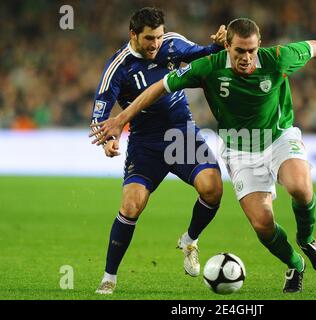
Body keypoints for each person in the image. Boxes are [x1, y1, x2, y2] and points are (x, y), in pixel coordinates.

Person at [90, 18, 316, 293]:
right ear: (227, 47)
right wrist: (118, 124)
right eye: (239, 51)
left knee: (296, 187)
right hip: (229, 147)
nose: (246, 57)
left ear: (259, 45)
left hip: (272, 137)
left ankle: (306, 239)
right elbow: (158, 88)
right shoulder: (206, 68)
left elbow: (313, 46)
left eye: (251, 50)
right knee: (263, 225)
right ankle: (295, 263)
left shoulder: (276, 58)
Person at [91, 7, 227, 294]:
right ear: (133, 35)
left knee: (213, 189)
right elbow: (100, 109)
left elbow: (204, 54)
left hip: (182, 133)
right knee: (130, 206)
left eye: (159, 37)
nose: (156, 44)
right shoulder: (118, 66)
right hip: (146, 143)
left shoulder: (172, 43)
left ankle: (190, 240)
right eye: (149, 38)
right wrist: (107, 140)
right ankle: (109, 277)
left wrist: (217, 43)